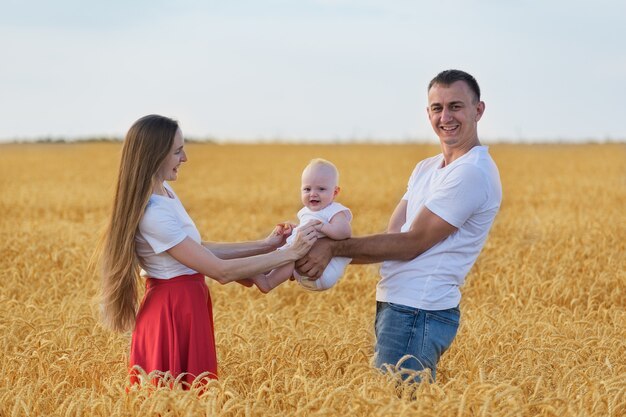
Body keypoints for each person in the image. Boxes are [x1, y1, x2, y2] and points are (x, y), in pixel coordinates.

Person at [295, 69, 502, 382]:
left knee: (399, 404)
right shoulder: (426, 168)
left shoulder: (472, 172)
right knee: (394, 401)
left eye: (455, 106)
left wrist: (331, 248)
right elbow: (394, 237)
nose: (445, 116)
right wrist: (311, 251)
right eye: (437, 108)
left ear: (478, 110)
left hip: (419, 310)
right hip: (397, 305)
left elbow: (412, 242)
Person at [97, 114, 318, 389]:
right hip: (172, 312)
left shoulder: (165, 193)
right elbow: (219, 271)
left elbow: (199, 251)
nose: (185, 158)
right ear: (155, 155)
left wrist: (267, 245)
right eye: (177, 151)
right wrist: (291, 253)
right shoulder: (153, 214)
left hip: (187, 303)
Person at [250, 158, 352, 293]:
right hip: (304, 268)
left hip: (322, 270)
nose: (313, 193)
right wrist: (294, 229)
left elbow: (345, 232)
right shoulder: (306, 211)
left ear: (335, 192)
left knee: (288, 256)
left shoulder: (334, 210)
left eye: (321, 189)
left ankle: (267, 282)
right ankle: (258, 272)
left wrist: (323, 227)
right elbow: (306, 229)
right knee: (286, 255)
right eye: (307, 189)